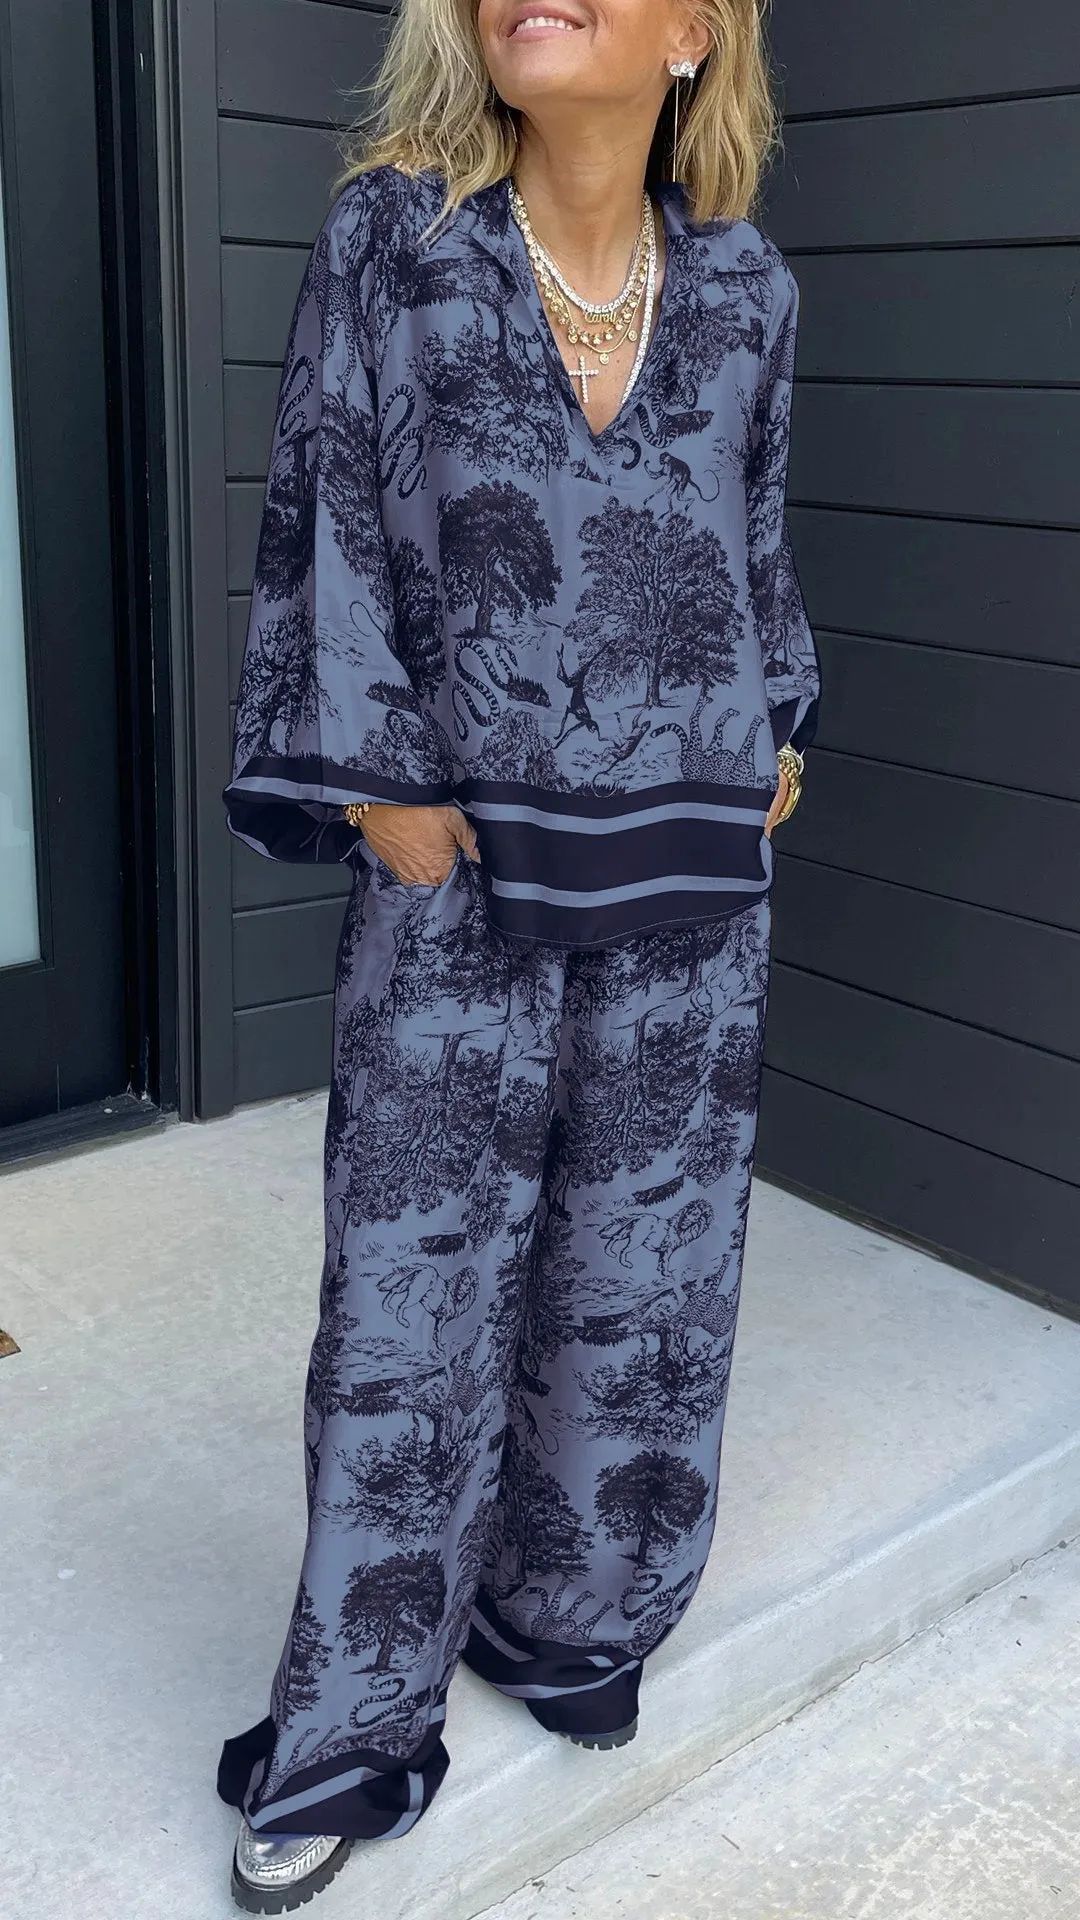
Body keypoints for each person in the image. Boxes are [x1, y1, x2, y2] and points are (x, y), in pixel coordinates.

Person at [217, 0, 821, 1907]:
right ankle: (351, 1726)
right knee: (411, 1309)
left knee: (644, 1281)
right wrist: (376, 787)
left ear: (694, 33)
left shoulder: (749, 289)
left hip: (694, 874)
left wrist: (781, 727)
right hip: (458, 872)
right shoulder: (396, 237)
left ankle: (571, 1614)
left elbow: (757, 543)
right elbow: (324, 510)